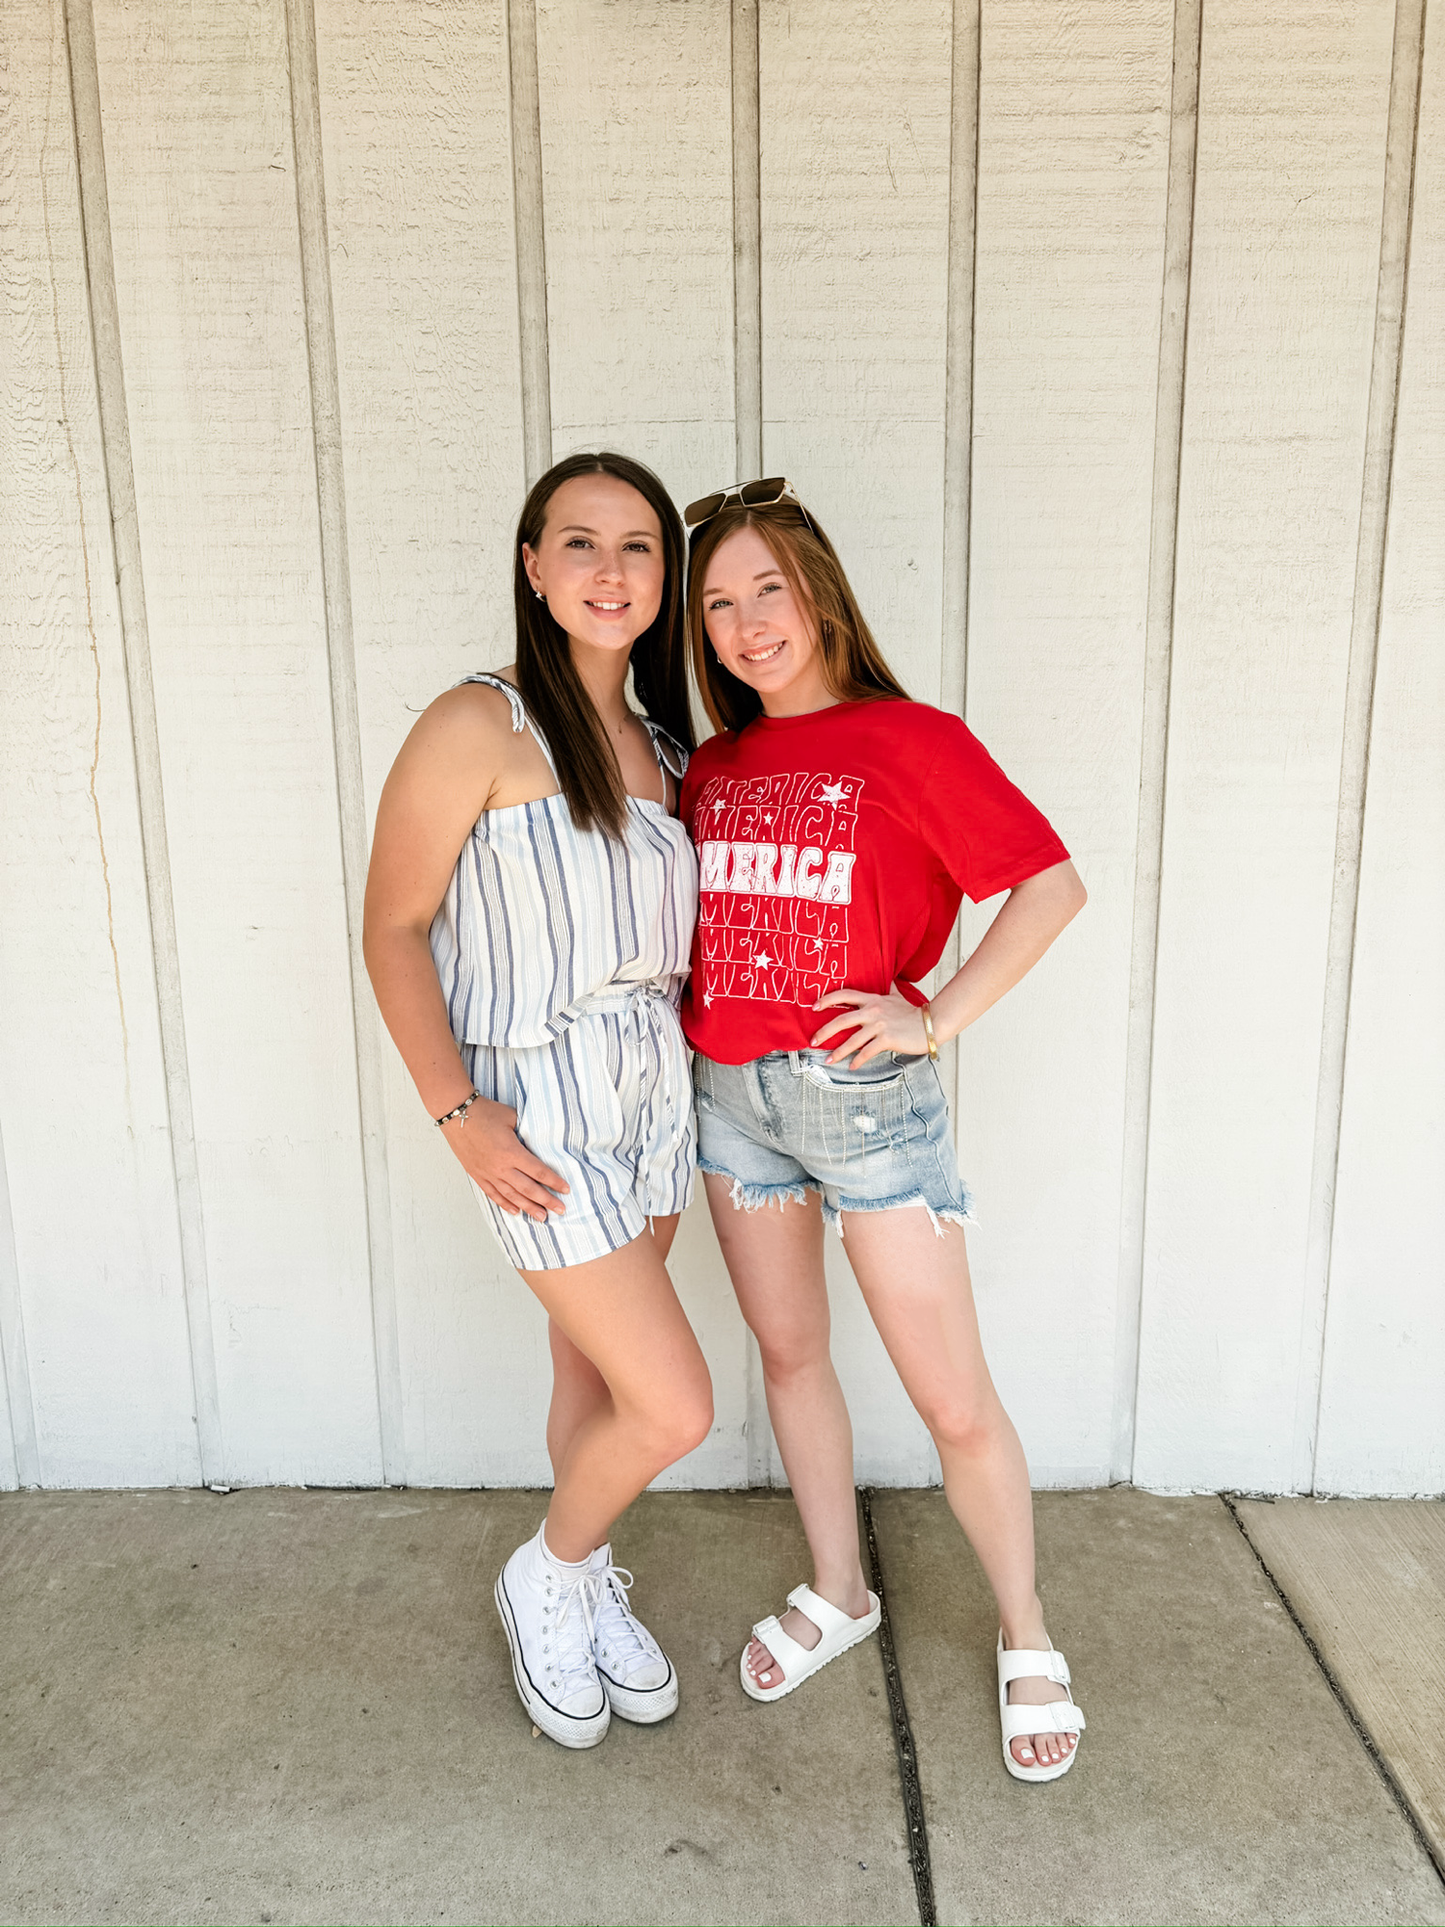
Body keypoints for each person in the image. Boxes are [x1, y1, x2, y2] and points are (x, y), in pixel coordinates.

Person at [678, 478, 1089, 1782]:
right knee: (792, 1357)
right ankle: (842, 1588)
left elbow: (1049, 884)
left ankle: (1026, 1629)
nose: (747, 625)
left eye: (768, 592)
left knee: (951, 1397)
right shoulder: (716, 766)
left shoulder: (910, 740)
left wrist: (936, 1016)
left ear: (821, 594)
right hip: (733, 1105)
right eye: (719, 605)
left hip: (864, 1103)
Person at [363, 451, 711, 1751]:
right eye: (580, 542)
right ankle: (546, 1571)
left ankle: (581, 1571)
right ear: (532, 566)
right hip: (538, 1109)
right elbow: (393, 926)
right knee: (676, 1404)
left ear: (663, 579)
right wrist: (462, 1113)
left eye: (636, 547)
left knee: (601, 1376)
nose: (610, 570)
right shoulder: (480, 724)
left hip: (650, 1100)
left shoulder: (667, 748)